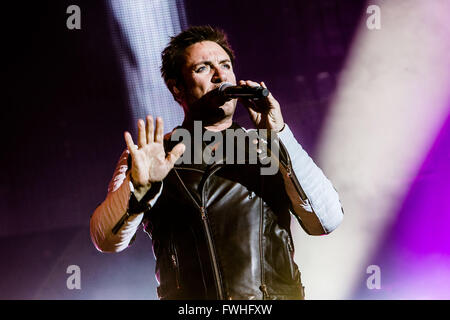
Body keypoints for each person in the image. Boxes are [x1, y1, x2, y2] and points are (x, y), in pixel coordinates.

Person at [90, 25, 344, 300]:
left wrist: (280, 134)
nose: (220, 75)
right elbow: (104, 239)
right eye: (203, 68)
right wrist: (138, 190)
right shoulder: (150, 155)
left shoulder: (267, 145)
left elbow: (327, 220)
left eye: (225, 65)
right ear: (177, 88)